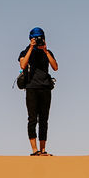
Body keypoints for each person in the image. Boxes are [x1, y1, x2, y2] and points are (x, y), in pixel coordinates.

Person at [18, 26, 58, 156]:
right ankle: (34, 150)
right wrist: (30, 48)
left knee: (44, 120)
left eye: (40, 38)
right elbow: (23, 65)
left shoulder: (47, 52)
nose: (39, 40)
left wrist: (46, 51)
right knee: (32, 119)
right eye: (36, 38)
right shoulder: (25, 51)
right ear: (31, 39)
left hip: (45, 88)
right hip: (31, 88)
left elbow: (55, 67)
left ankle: (43, 150)